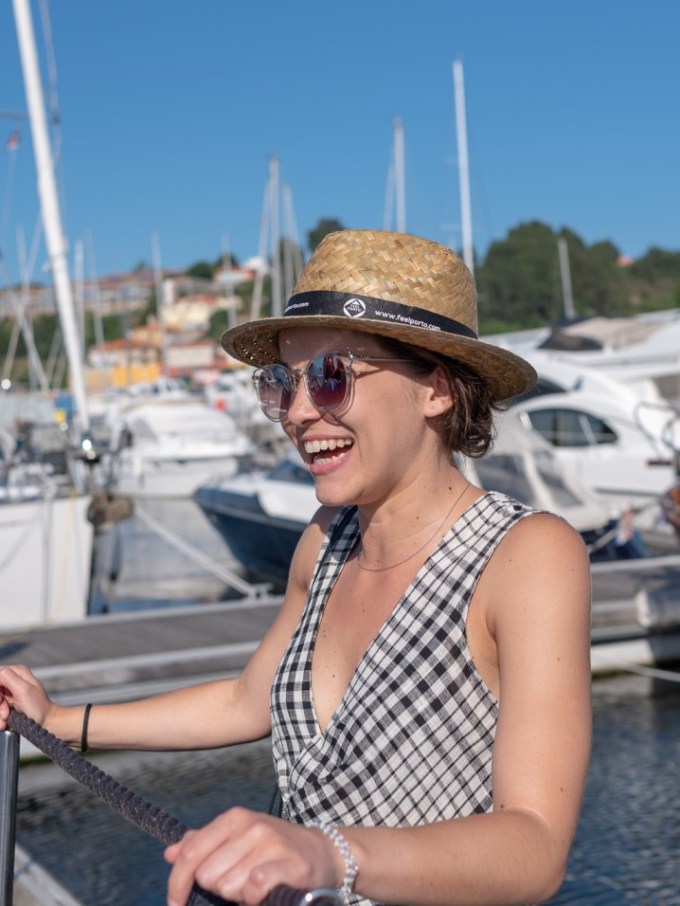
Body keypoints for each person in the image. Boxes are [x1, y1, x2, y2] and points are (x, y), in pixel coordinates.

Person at [0, 230, 592, 906]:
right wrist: (57, 718)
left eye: (333, 375)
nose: (300, 411)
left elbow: (536, 845)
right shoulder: (326, 541)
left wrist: (323, 852)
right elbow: (247, 701)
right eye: (282, 381)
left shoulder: (525, 555)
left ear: (436, 387)